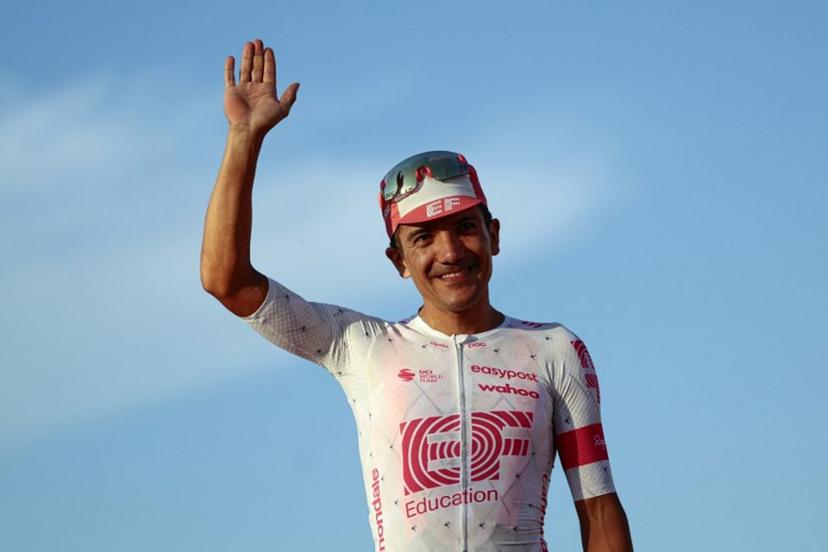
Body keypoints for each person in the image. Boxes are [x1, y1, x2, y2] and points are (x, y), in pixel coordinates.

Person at [201, 38, 634, 552]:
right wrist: (244, 138)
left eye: (465, 227)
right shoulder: (360, 346)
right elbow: (226, 280)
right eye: (423, 238)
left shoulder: (554, 349)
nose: (450, 251)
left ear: (494, 234)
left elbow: (600, 510)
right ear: (398, 262)